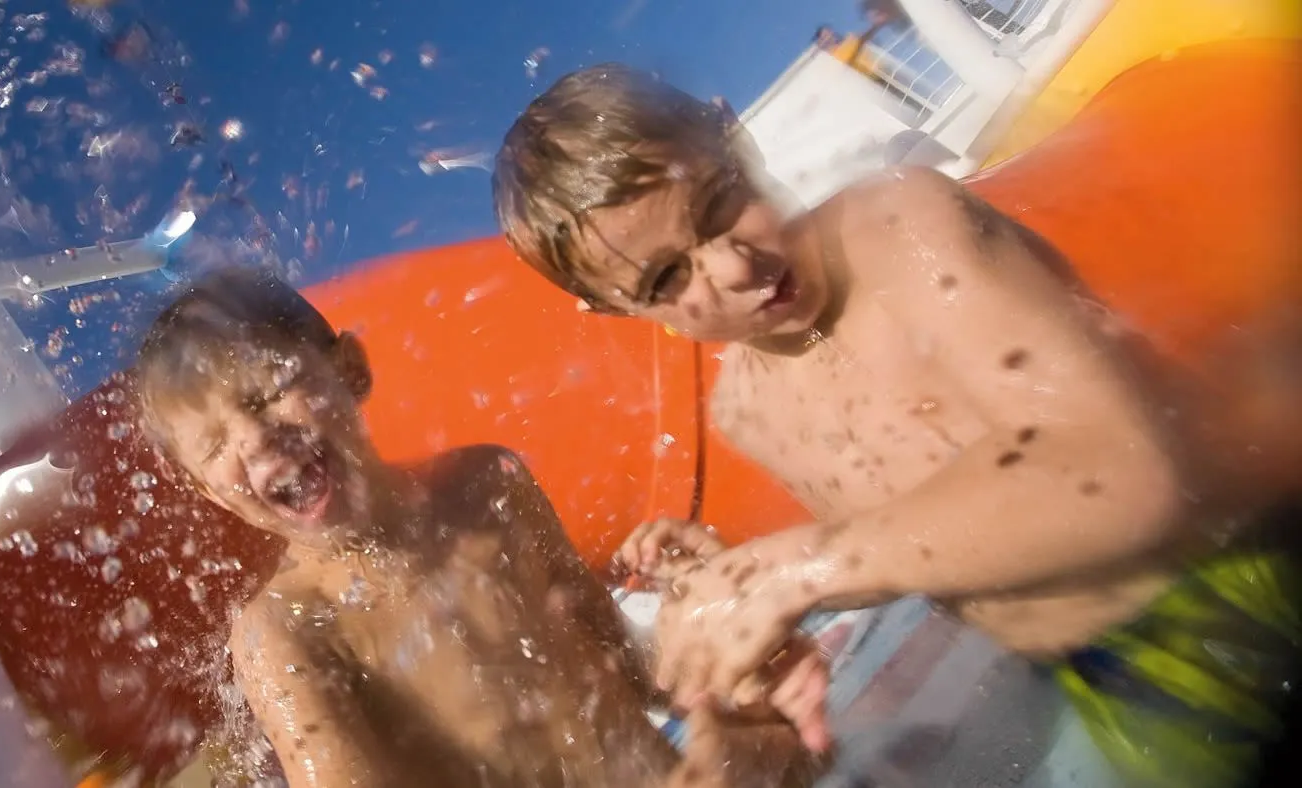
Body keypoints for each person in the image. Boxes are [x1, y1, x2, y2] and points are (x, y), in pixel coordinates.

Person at [491, 63, 1299, 788]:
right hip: (1101, 676)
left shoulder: (899, 227)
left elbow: (1124, 472)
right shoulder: (745, 412)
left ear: (727, 130)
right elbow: (924, 534)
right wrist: (768, 652)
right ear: (617, 309)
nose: (736, 267)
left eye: (719, 201)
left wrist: (790, 572)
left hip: (1241, 573)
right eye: (670, 276)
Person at [130, 267, 832, 787]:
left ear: (350, 369)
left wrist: (717, 659)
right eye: (215, 446)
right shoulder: (286, 627)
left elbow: (610, 655)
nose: (255, 442)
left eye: (267, 393)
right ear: (209, 493)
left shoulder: (487, 484)